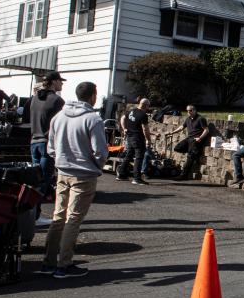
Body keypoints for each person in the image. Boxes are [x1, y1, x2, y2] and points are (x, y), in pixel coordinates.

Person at [37, 81, 108, 279]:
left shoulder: (59, 117)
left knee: (59, 216)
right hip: (83, 174)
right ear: (93, 96)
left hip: (62, 171)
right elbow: (100, 151)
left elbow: (50, 148)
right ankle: (64, 264)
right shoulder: (93, 119)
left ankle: (48, 262)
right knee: (73, 219)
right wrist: (97, 165)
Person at [29, 71, 66, 198]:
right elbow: (61, 123)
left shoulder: (34, 98)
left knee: (35, 179)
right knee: (44, 179)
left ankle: (32, 210)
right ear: (54, 82)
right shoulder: (57, 100)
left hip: (33, 141)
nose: (61, 83)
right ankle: (36, 212)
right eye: (60, 81)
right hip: (47, 143)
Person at [166, 105, 210, 181]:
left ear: (195, 110)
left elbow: (206, 130)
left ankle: (183, 175)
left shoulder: (200, 119)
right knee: (177, 148)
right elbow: (182, 127)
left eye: (190, 110)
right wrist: (172, 132)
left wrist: (200, 138)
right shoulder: (188, 119)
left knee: (190, 157)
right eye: (187, 111)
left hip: (196, 140)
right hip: (189, 139)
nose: (189, 112)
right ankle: (193, 153)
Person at [116, 98, 153, 184]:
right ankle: (136, 178)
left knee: (129, 155)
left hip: (130, 137)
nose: (148, 107)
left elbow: (122, 118)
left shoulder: (131, 111)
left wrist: (124, 128)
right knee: (139, 157)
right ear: (146, 105)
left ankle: (121, 174)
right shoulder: (143, 115)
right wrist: (148, 140)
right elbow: (145, 129)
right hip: (138, 138)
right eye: (148, 106)